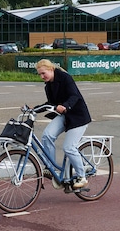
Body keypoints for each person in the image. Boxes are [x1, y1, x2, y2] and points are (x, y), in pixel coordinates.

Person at [35, 59, 92, 190]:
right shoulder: (48, 85)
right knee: (47, 135)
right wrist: (34, 109)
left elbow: (74, 96)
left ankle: (82, 176)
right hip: (65, 116)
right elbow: (50, 103)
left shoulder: (65, 78)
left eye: (43, 73)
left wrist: (65, 106)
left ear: (51, 69)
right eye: (40, 74)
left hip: (78, 117)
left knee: (69, 147)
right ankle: (51, 167)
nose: (42, 76)